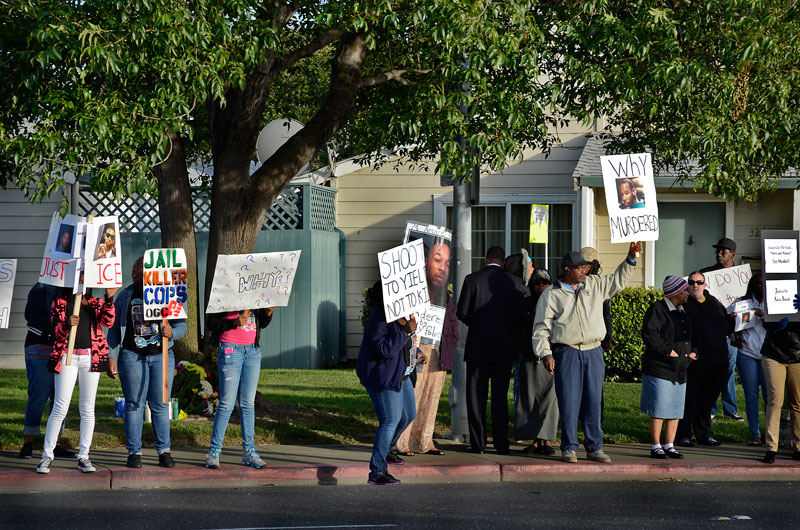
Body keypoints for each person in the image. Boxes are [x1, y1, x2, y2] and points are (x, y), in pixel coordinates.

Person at [532, 242, 640, 463]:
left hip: (593, 351)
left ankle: (594, 447)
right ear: (567, 270)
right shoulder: (552, 294)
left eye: (586, 267)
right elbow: (541, 328)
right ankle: (569, 447)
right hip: (567, 351)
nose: (585, 271)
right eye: (581, 268)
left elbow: (617, 280)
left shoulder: (595, 284)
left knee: (593, 401)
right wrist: (545, 354)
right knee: (569, 401)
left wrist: (630, 259)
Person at [107, 257, 187, 468]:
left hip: (162, 356)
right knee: (134, 404)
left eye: (140, 271)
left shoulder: (168, 294)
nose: (135, 274)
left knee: (160, 404)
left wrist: (173, 333)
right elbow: (113, 330)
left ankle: (164, 451)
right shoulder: (125, 296)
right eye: (134, 271)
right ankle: (134, 452)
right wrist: (111, 355)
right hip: (132, 356)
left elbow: (181, 326)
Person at [35, 286, 117, 474]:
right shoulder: (61, 303)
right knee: (60, 405)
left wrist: (109, 299)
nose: (83, 283)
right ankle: (47, 455)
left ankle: (84, 456)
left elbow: (108, 321)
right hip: (67, 357)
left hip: (91, 356)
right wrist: (66, 324)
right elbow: (57, 333)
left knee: (88, 407)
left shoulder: (96, 303)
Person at [457, 246, 526, 454]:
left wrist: (477, 323)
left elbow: (462, 312)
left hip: (478, 347)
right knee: (499, 398)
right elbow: (521, 316)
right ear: (503, 262)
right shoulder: (514, 282)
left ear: (485, 259)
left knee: (476, 397)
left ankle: (478, 443)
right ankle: (501, 443)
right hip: (504, 348)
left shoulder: (472, 279)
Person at [357, 281, 424, 485]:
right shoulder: (380, 317)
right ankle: (377, 471)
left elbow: (403, 345)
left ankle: (386, 449)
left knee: (408, 415)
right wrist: (404, 332)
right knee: (390, 420)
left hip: (401, 374)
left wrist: (416, 352)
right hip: (383, 376)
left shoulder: (402, 317)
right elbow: (384, 349)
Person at [395, 242, 458, 456]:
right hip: (416, 348)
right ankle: (401, 441)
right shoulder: (411, 289)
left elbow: (452, 323)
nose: (442, 267)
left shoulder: (445, 294)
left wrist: (451, 343)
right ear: (425, 261)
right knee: (412, 394)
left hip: (439, 351)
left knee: (432, 397)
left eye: (446, 262)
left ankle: (424, 441)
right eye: (437, 260)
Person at [204, 304, 276, 469]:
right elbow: (212, 323)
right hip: (230, 349)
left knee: (248, 404)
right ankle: (213, 452)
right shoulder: (225, 291)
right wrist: (234, 322)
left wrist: (268, 312)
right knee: (227, 403)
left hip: (252, 351)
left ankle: (249, 452)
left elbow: (261, 323)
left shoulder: (256, 293)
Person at [640, 275, 696, 459]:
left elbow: (691, 335)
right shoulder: (658, 309)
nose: (688, 293)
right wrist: (667, 351)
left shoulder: (683, 311)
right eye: (684, 290)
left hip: (680, 367)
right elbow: (650, 335)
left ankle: (669, 444)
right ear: (675, 292)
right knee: (660, 406)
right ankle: (656, 445)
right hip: (660, 367)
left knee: (675, 407)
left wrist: (693, 352)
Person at [19, 283, 75, 459]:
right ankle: (29, 442)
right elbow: (31, 316)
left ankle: (55, 442)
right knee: (38, 395)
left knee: (60, 398)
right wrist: (60, 326)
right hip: (41, 346)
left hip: (64, 348)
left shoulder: (73, 289)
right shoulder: (41, 288)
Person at [676, 271, 731, 447]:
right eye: (691, 282)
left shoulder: (714, 303)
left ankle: (704, 433)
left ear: (705, 285)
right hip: (694, 361)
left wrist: (735, 321)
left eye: (699, 282)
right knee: (690, 399)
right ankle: (683, 434)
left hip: (717, 360)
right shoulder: (684, 305)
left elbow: (727, 327)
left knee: (708, 400)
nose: (695, 285)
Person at [515, 267, 559, 456]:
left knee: (550, 400)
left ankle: (547, 439)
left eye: (545, 282)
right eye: (537, 283)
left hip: (551, 357)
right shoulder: (524, 303)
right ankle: (534, 439)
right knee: (530, 399)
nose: (541, 286)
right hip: (528, 356)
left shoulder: (556, 302)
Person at [701, 237, 743, 422]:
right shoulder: (707, 275)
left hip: (732, 332)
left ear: (732, 254)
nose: (719, 254)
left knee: (728, 370)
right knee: (711, 371)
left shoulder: (741, 276)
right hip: (712, 332)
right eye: (718, 251)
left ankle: (730, 409)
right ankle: (711, 408)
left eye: (723, 251)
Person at [760, 294, 800, 463]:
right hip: (774, 353)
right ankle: (771, 447)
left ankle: (798, 447)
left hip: (798, 354)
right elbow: (766, 322)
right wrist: (776, 324)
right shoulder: (777, 292)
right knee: (775, 400)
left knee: (797, 402)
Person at [728, 273, 767, 445]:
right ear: (752, 286)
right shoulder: (741, 303)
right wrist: (734, 336)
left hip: (769, 355)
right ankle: (755, 435)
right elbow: (727, 322)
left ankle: (771, 435)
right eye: (758, 284)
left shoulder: (773, 303)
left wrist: (763, 314)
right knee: (751, 396)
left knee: (770, 398)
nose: (761, 287)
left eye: (763, 284)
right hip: (747, 354)